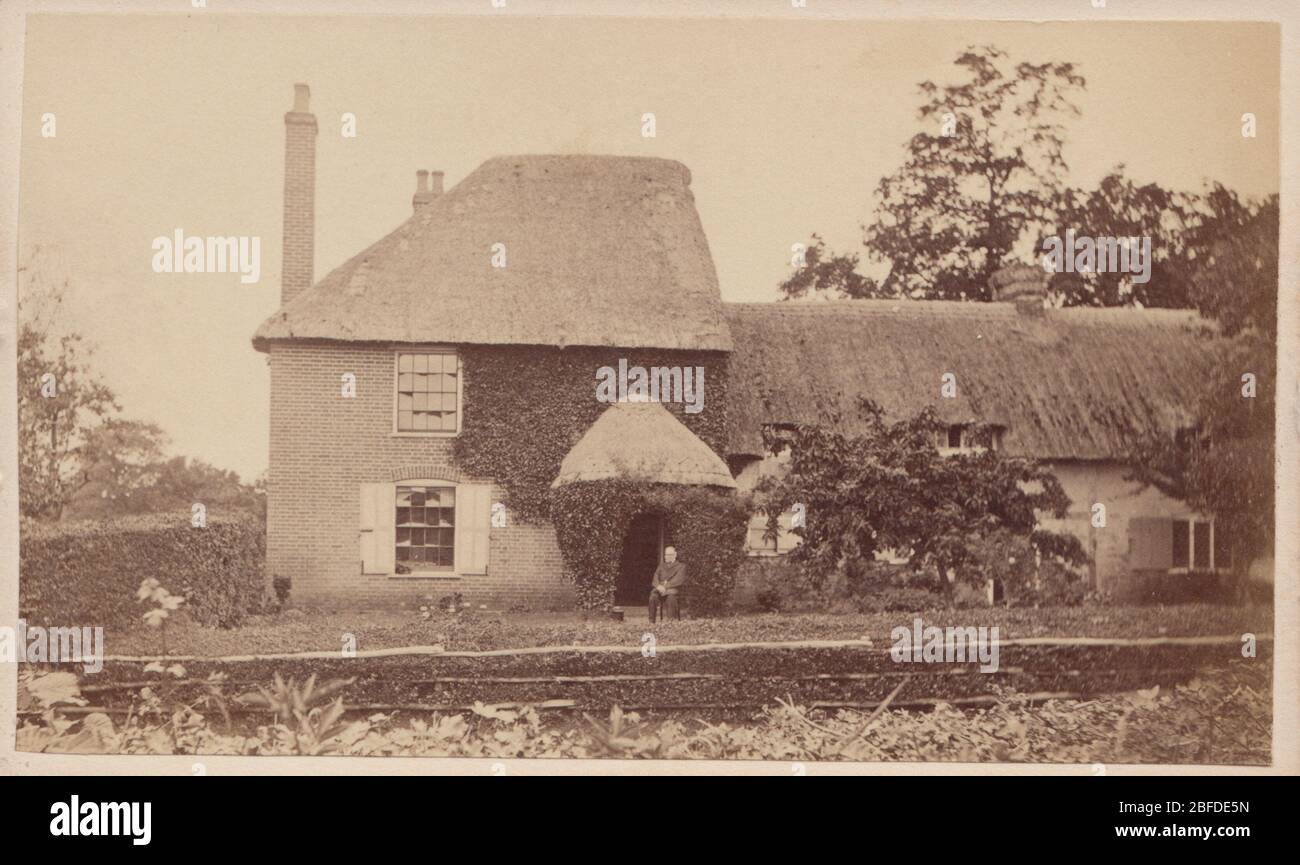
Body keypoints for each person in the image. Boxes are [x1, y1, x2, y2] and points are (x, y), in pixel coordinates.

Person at [648, 546, 687, 622]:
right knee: (652, 597)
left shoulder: (681, 566)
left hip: (673, 591)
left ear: (675, 555)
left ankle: (670, 622)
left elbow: (678, 580)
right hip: (660, 590)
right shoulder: (661, 566)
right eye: (665, 555)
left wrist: (664, 586)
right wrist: (658, 586)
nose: (666, 557)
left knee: (671, 597)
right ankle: (651, 622)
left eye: (669, 555)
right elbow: (655, 577)